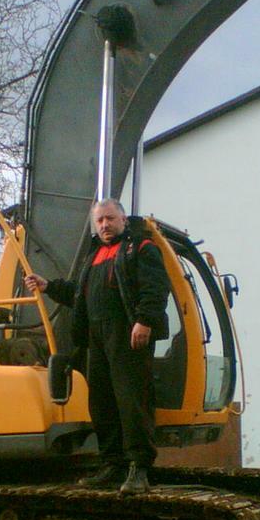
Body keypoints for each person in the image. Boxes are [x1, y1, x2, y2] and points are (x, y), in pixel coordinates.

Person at [25, 198, 170, 494]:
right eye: (100, 220)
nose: (104, 225)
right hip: (96, 340)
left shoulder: (141, 248)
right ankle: (113, 464)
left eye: (110, 219)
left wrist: (144, 321)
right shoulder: (94, 257)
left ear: (123, 220)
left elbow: (155, 288)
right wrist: (49, 286)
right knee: (103, 404)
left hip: (127, 336)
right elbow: (79, 294)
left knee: (132, 402)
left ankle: (138, 467)